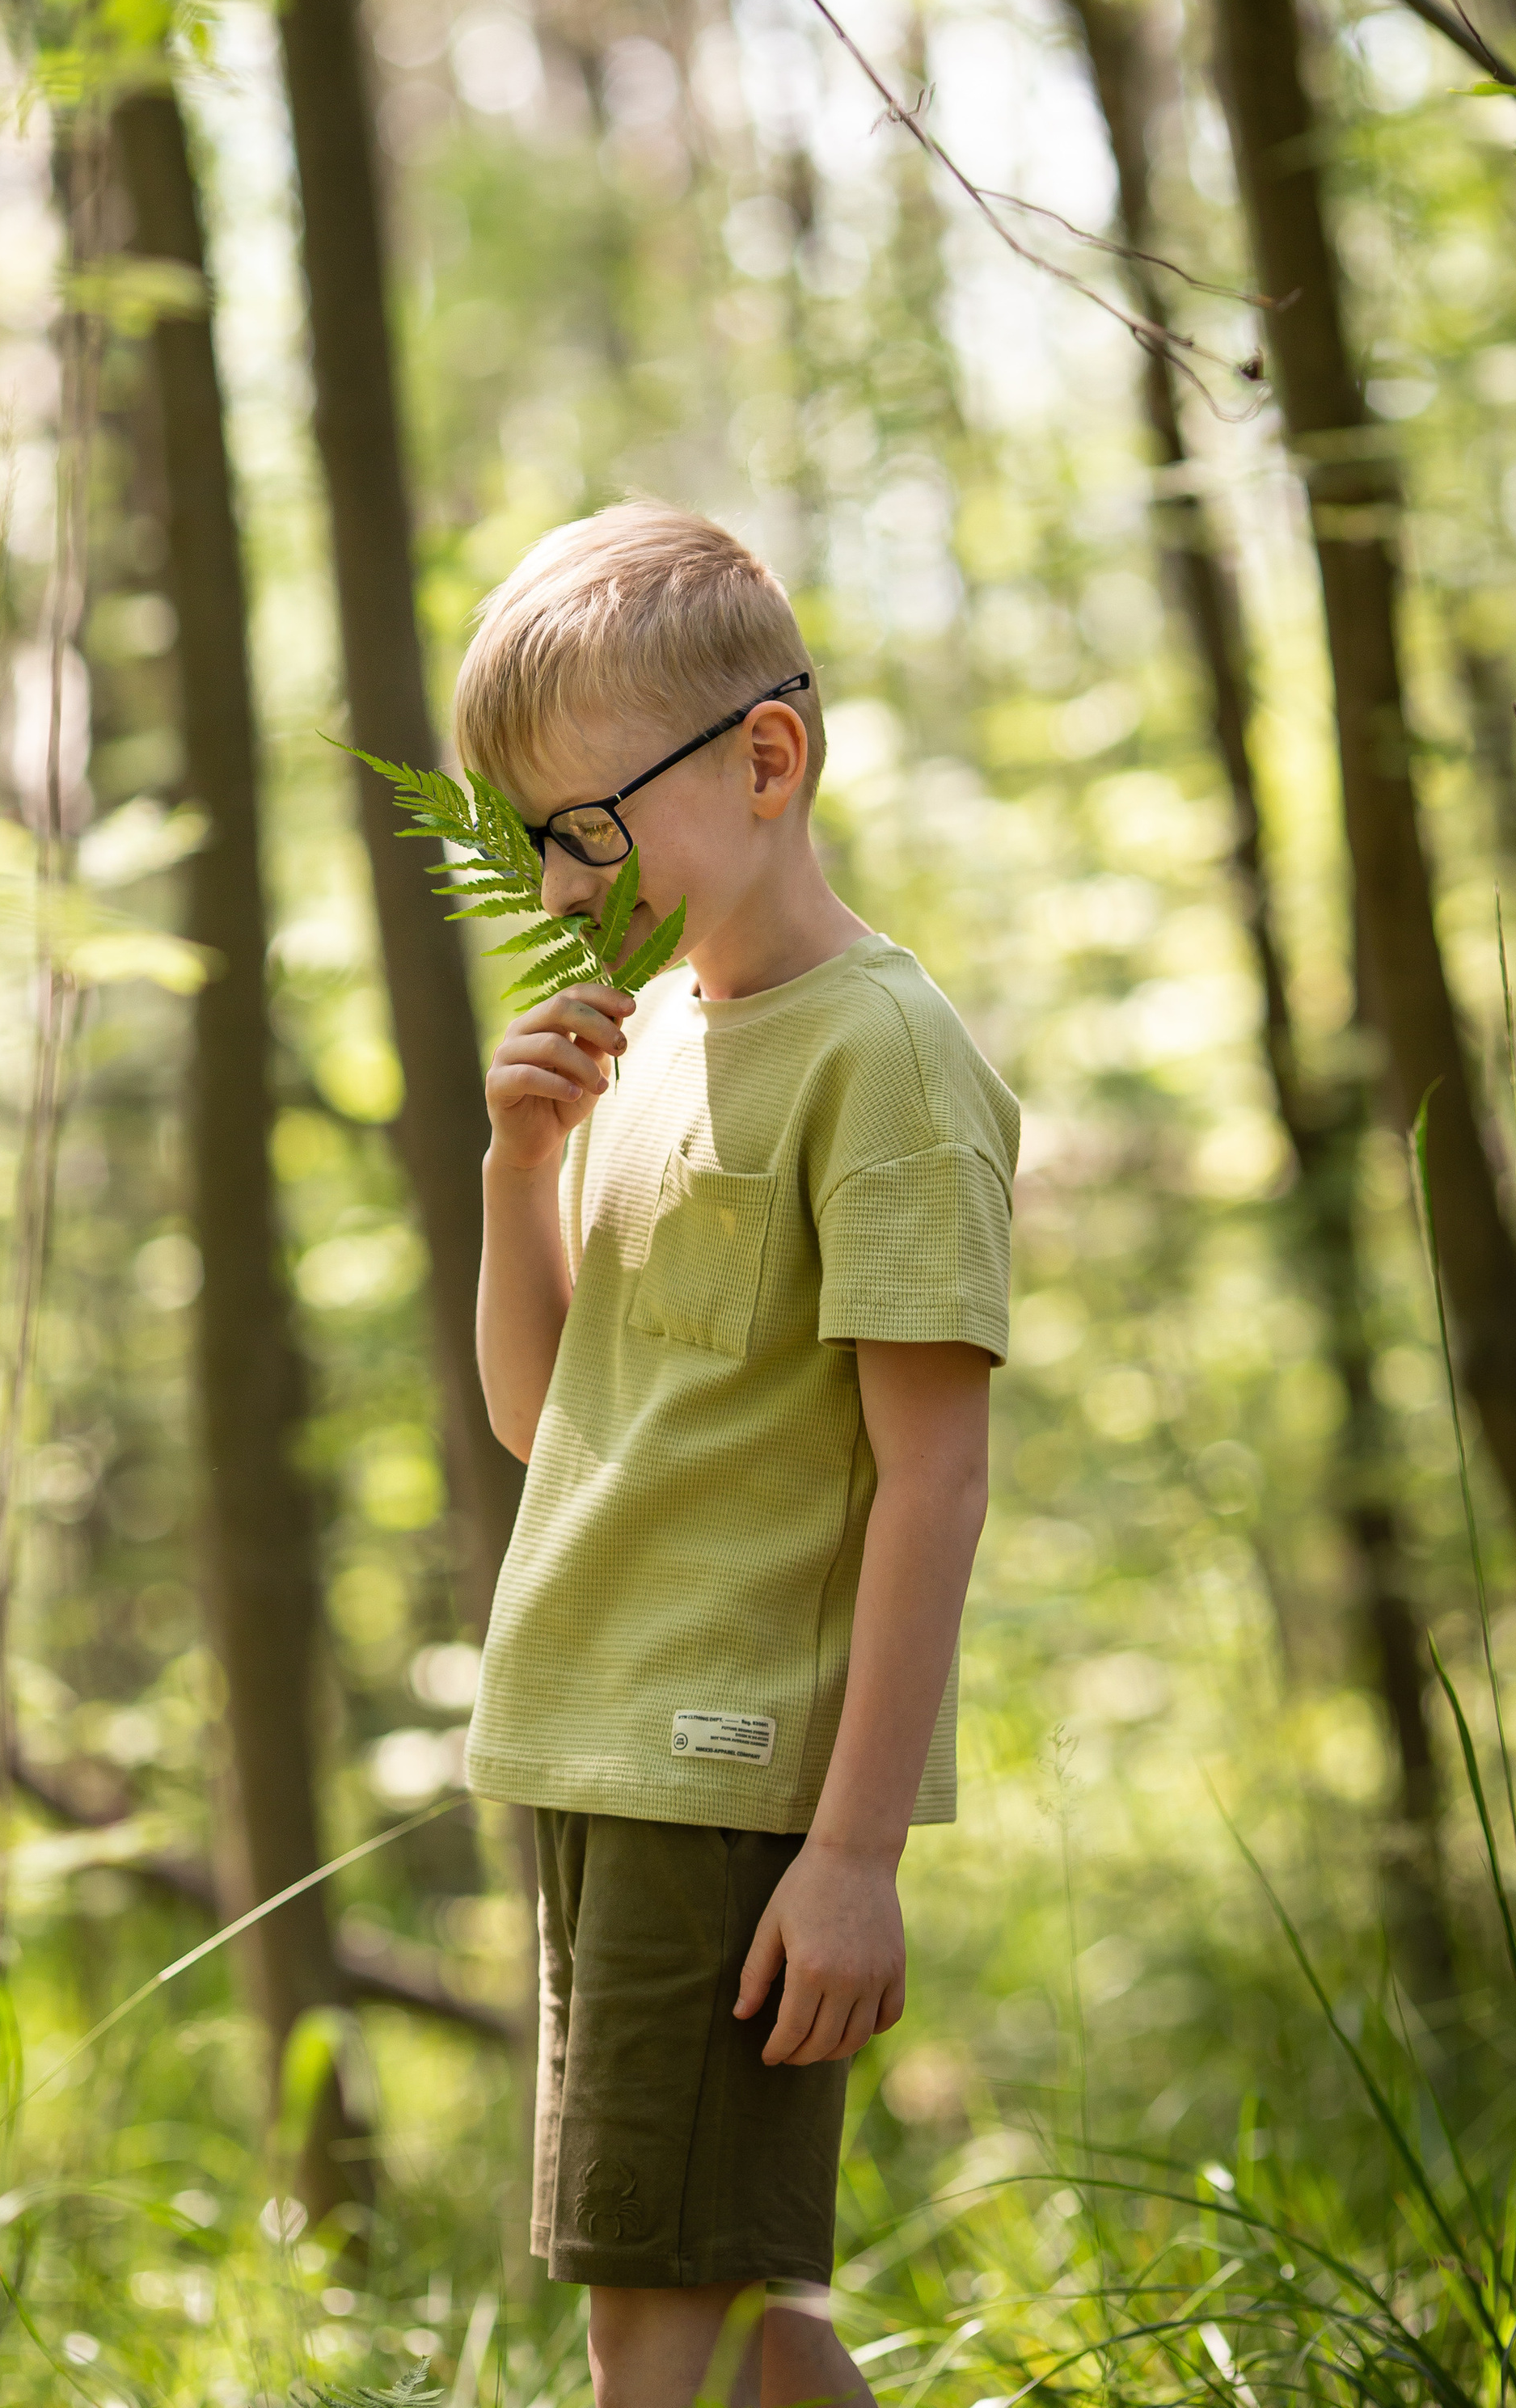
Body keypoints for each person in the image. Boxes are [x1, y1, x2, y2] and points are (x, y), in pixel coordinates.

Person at [455, 503, 1018, 2408]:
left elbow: (932, 1476)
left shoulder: (885, 1058)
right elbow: (548, 1423)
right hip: (600, 1741)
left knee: (655, 2325)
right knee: (731, 2303)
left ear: (765, 760)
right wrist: (517, 1173)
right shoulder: (655, 1042)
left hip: (725, 1772)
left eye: (584, 829)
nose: (553, 886)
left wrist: (850, 1851)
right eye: (525, 843)